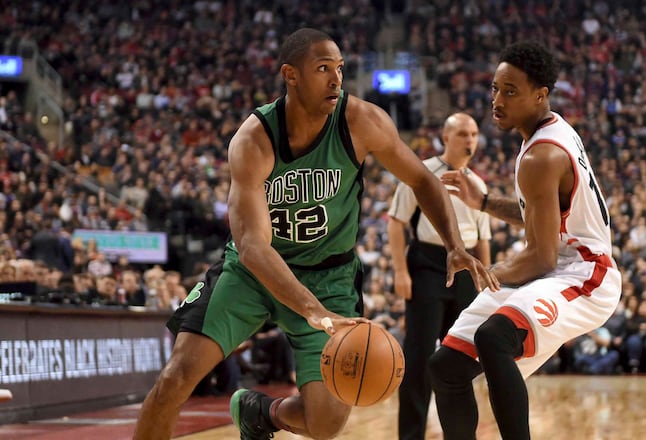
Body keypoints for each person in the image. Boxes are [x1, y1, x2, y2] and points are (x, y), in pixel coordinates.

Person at [133, 28, 497, 440]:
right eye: (323, 69)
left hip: (330, 276)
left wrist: (454, 245)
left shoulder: (362, 120)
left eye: (340, 69)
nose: (336, 80)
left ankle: (262, 413)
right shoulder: (253, 140)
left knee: (324, 425)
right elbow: (252, 247)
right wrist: (311, 309)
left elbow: (423, 180)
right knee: (175, 378)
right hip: (252, 274)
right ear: (291, 75)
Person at [429, 41, 622, 439]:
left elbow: (542, 256)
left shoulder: (541, 156)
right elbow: (541, 217)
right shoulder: (547, 131)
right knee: (445, 365)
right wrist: (482, 201)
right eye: (495, 89)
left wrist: (489, 270)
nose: (497, 100)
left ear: (541, 94)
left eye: (510, 91)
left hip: (586, 275)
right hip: (557, 267)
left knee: (494, 336)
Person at [387, 113, 491, 440]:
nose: (469, 140)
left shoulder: (478, 184)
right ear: (445, 137)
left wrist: (484, 283)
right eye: (462, 133)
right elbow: (395, 222)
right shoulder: (421, 173)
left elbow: (482, 238)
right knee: (418, 358)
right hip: (428, 266)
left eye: (473, 134)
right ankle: (411, 435)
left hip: (467, 269)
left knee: (459, 360)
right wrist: (401, 272)